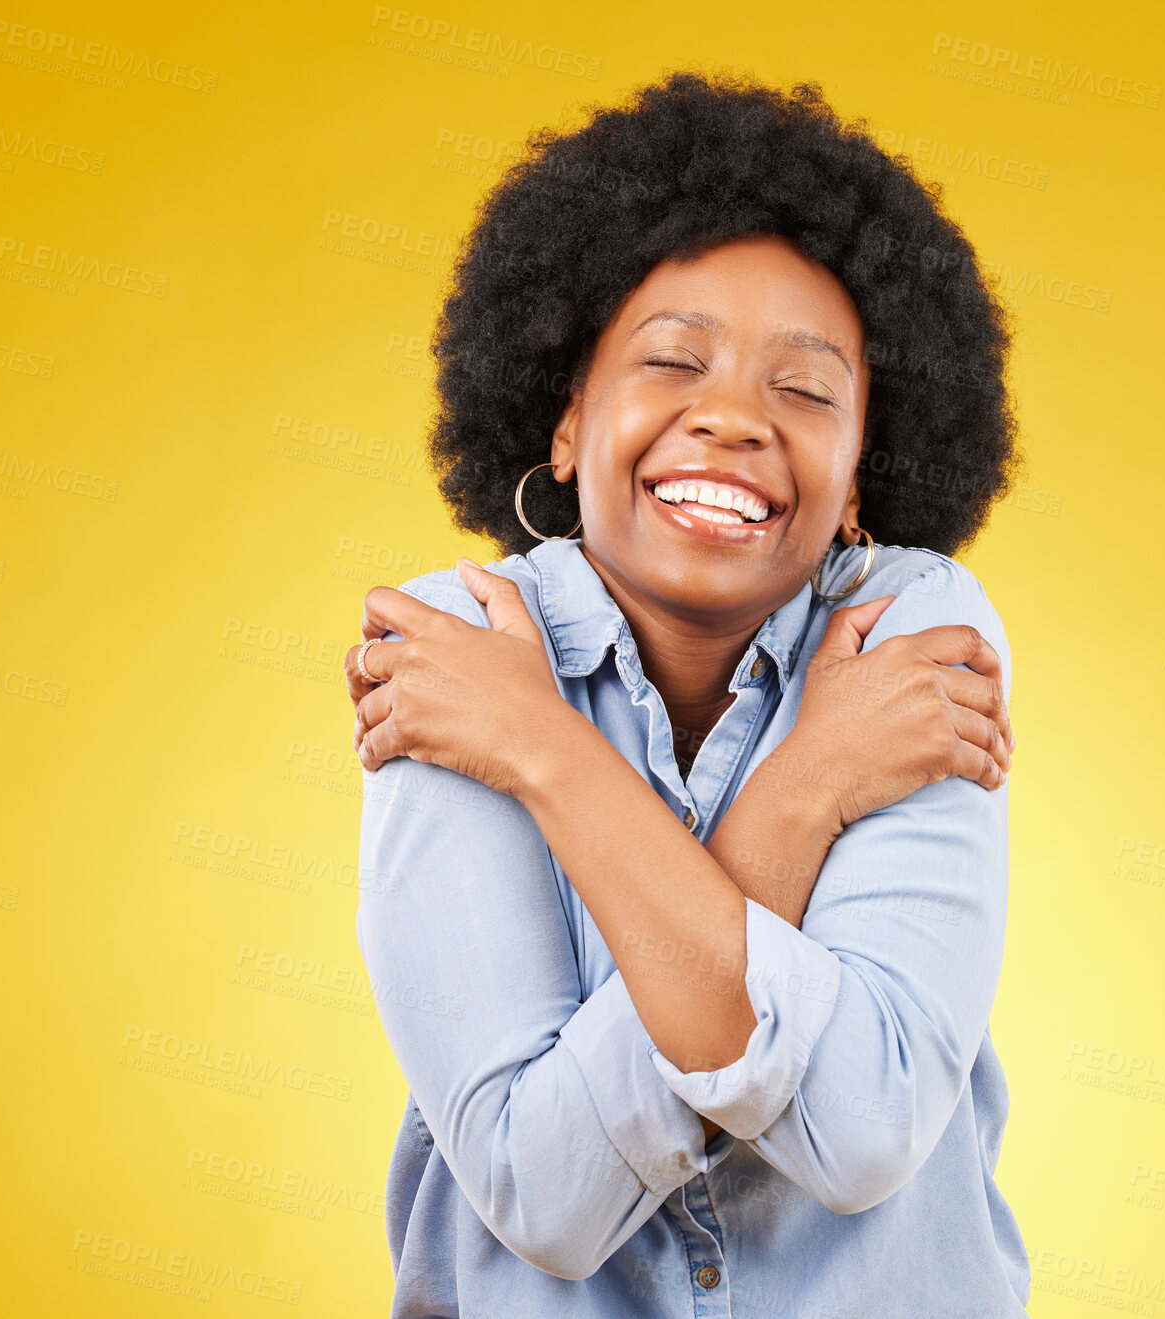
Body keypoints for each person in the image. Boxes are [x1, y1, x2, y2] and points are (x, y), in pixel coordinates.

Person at [344, 69, 1030, 1316]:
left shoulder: (914, 629)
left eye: (805, 388)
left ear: (861, 469)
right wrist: (806, 785)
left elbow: (863, 1126)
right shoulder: (456, 655)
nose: (730, 418)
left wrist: (539, 756)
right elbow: (538, 1191)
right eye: (672, 363)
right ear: (564, 420)